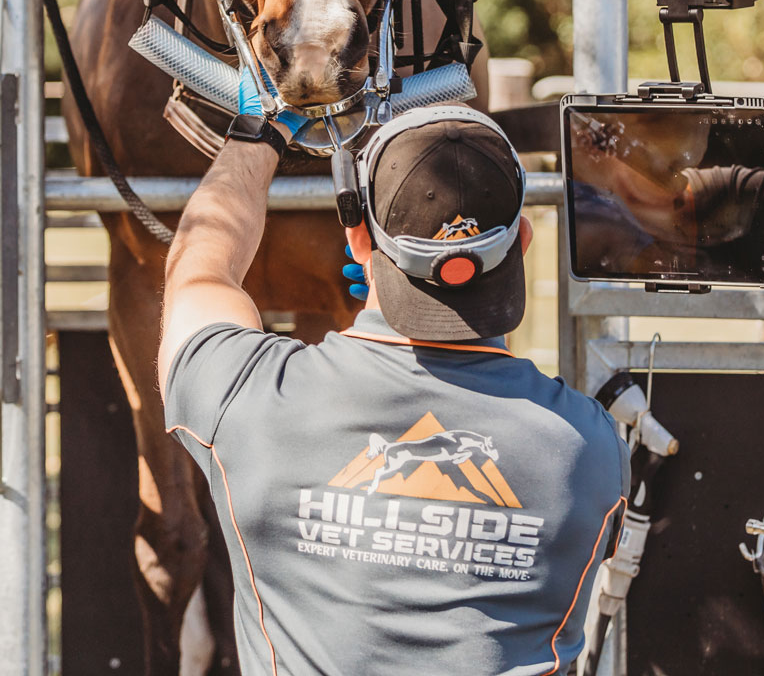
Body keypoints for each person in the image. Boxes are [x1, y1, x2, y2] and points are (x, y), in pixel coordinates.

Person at [159, 76, 630, 676]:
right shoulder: (591, 446)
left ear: (358, 237)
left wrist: (259, 132)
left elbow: (199, 274)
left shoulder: (249, 398)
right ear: (524, 241)